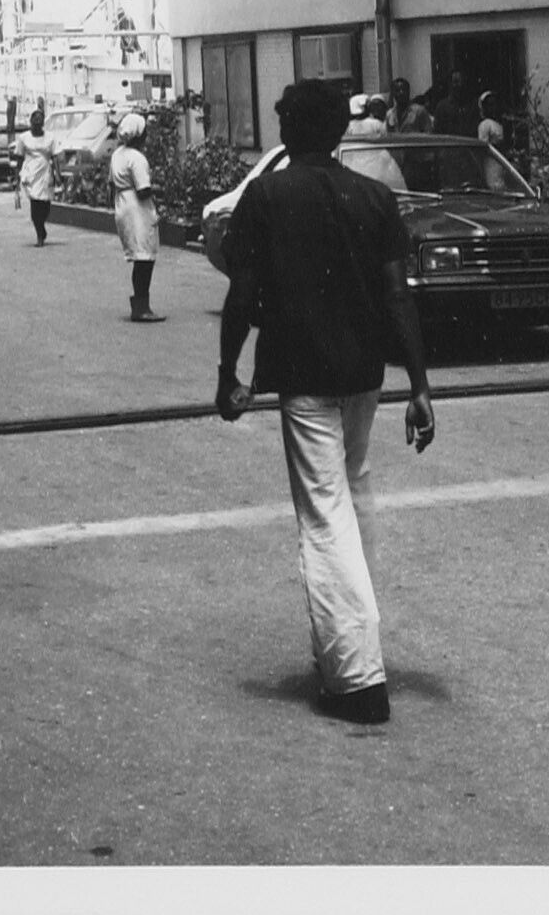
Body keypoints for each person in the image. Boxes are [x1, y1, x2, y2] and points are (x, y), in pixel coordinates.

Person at [216, 79, 435, 726]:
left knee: (324, 514)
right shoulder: (373, 196)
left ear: (289, 130)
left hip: (304, 376)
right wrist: (419, 385)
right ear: (338, 130)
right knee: (354, 493)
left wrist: (229, 373)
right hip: (364, 375)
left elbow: (241, 293)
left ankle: (357, 678)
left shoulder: (266, 195)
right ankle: (348, 646)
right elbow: (397, 295)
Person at [110, 112, 163, 322]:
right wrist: (159, 189)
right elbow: (143, 190)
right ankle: (142, 307)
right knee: (144, 258)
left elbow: (110, 184)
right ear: (139, 134)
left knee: (138, 257)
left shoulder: (117, 154)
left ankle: (139, 304)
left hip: (123, 204)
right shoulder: (137, 158)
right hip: (137, 209)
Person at [10, 107, 57, 246]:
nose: (37, 123)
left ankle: (41, 226)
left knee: (45, 205)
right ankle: (40, 234)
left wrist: (58, 174)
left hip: (45, 172)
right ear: (30, 121)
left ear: (43, 123)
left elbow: (55, 156)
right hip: (31, 173)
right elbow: (19, 158)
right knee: (35, 205)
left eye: (40, 121)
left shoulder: (50, 137)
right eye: (35, 120)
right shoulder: (23, 138)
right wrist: (16, 177)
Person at [432, 71, 480, 137]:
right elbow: (437, 132)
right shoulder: (442, 106)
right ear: (450, 84)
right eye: (455, 82)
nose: (459, 85)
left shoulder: (473, 105)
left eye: (461, 82)